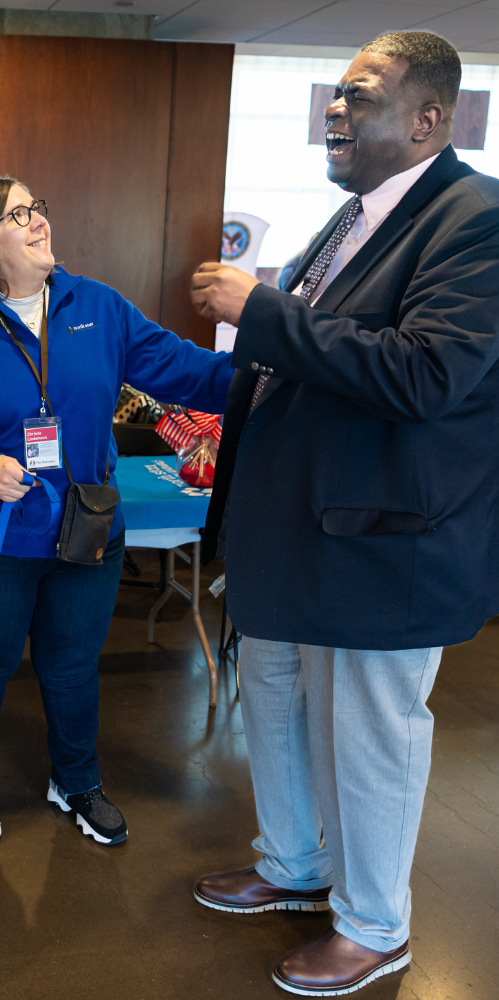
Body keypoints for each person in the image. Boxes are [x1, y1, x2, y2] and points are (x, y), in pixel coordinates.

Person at [190, 33, 499, 996]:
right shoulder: (349, 220)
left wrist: (264, 312)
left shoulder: (473, 219)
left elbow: (427, 372)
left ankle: (374, 926)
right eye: (334, 95)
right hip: (298, 532)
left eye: (358, 95)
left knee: (367, 731)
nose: (336, 109)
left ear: (427, 118)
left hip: (385, 544)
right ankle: (293, 867)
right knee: (276, 702)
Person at [0, 177, 232, 847]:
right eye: (17, 214)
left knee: (74, 667)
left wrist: (271, 363)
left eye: (36, 207)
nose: (38, 220)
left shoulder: (97, 308)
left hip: (87, 530)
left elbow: (186, 370)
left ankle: (75, 781)